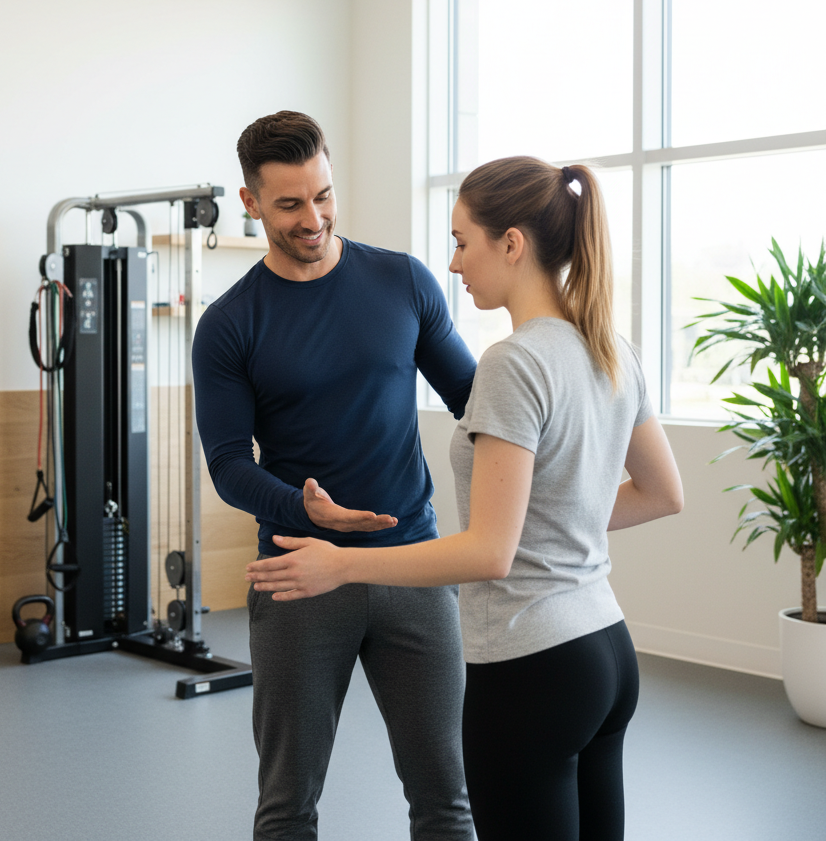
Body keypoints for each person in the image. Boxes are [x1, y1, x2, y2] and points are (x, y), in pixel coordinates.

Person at [245, 156, 685, 841]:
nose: (452, 264)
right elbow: (664, 493)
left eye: (461, 241)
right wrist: (552, 522)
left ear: (511, 244)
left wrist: (343, 563)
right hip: (607, 651)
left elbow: (489, 552)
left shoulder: (514, 363)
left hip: (532, 665)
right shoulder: (611, 346)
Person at [192, 111, 478, 841]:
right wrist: (303, 509)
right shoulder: (229, 325)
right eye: (290, 204)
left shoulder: (404, 281)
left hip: (412, 562)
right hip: (300, 572)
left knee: (446, 799)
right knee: (287, 806)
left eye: (323, 194)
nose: (313, 217)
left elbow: (476, 402)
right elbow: (227, 465)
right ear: (251, 201)